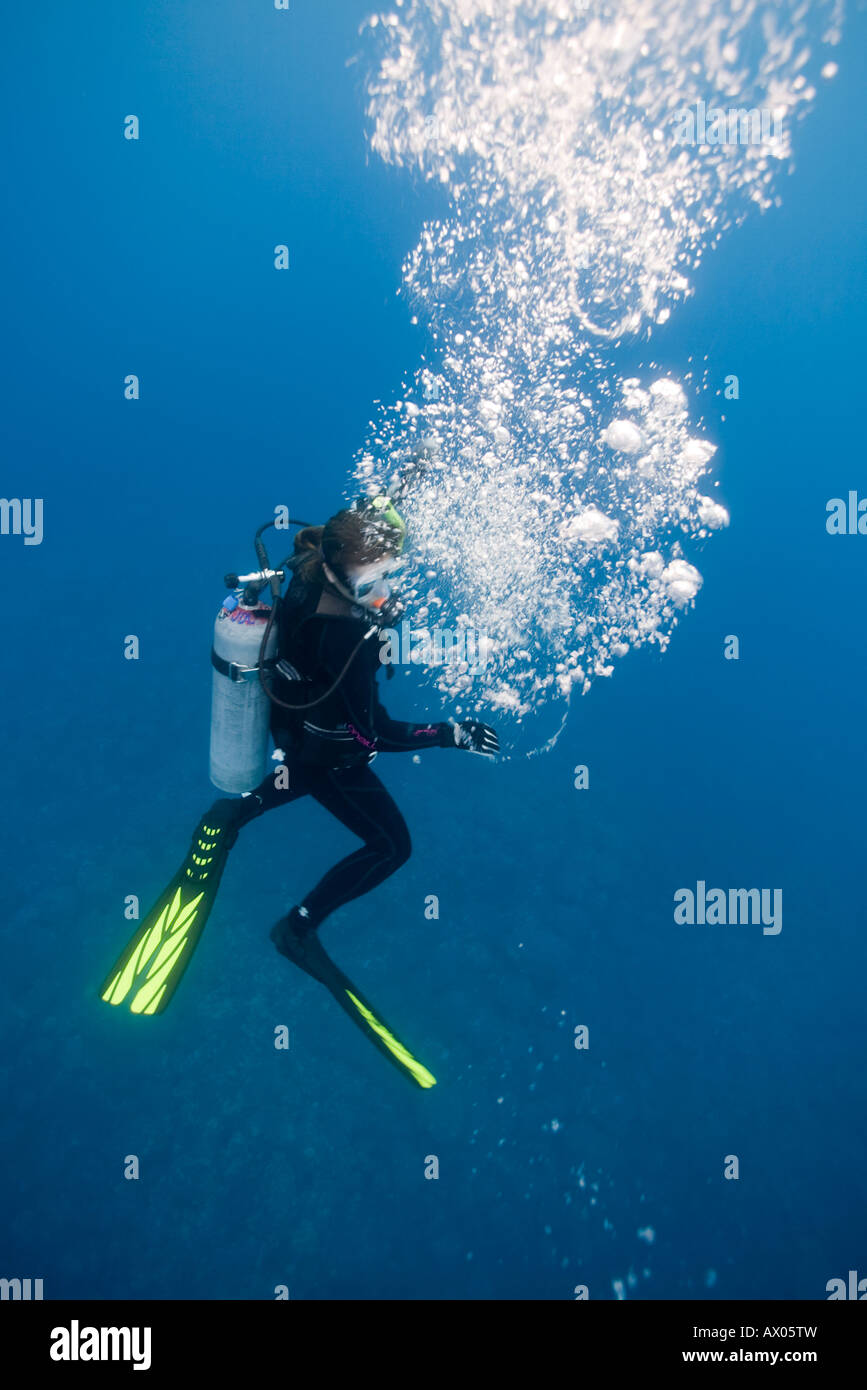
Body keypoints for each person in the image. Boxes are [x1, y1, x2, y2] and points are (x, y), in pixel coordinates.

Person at [101, 497, 498, 1023]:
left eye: (387, 577)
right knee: (390, 844)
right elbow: (376, 733)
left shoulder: (313, 557)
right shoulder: (350, 637)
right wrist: (447, 733)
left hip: (289, 725)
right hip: (329, 748)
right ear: (346, 574)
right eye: (372, 583)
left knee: (311, 762)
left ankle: (236, 812)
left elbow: (371, 519)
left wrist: (411, 479)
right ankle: (298, 928)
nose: (382, 595)